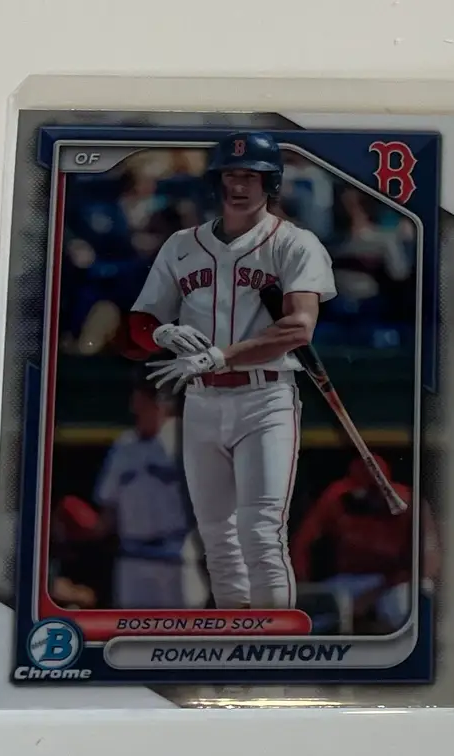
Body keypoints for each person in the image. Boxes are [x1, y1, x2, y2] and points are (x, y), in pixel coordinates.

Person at [124, 131, 337, 610]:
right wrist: (161, 333)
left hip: (265, 399)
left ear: (271, 182)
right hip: (201, 400)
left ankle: (271, 646)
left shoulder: (294, 243)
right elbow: (138, 323)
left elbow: (298, 328)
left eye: (251, 176)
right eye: (231, 175)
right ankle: (234, 640)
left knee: (260, 533)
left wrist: (223, 356)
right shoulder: (182, 245)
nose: (239, 186)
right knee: (218, 541)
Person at [54, 379, 203, 609]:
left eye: (143, 403)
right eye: (136, 403)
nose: (136, 410)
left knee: (184, 627)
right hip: (133, 559)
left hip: (176, 555)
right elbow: (109, 508)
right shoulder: (124, 447)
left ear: (161, 404)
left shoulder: (187, 438)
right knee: (130, 625)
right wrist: (88, 529)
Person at [290, 455, 441, 633]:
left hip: (394, 582)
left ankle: (403, 645)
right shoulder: (337, 498)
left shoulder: (411, 504)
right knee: (314, 614)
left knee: (408, 599)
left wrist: (374, 594)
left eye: (374, 491)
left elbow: (428, 564)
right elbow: (302, 544)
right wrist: (301, 581)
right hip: (352, 579)